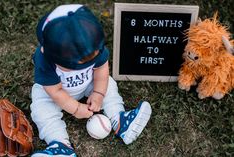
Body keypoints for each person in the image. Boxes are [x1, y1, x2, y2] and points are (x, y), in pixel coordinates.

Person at [30, 4, 152, 157]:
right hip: (53, 92)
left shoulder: (94, 46)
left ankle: (120, 121)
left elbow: (101, 70)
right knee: (41, 109)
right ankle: (60, 145)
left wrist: (99, 93)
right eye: (71, 66)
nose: (77, 69)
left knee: (109, 85)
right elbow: (55, 91)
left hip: (88, 83)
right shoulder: (44, 58)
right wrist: (75, 109)